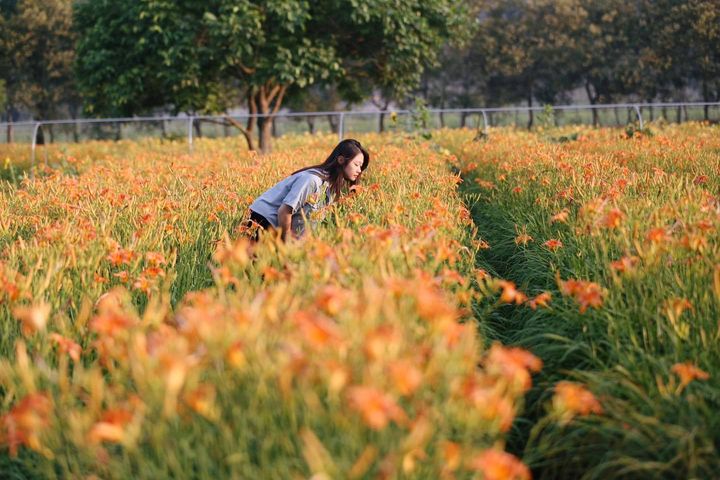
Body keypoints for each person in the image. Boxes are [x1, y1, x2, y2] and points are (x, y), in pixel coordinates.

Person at [246, 138, 370, 241]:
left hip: (278, 226)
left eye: (361, 166)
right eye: (356, 164)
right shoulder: (312, 180)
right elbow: (284, 211)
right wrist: (286, 243)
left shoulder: (331, 188)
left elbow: (308, 222)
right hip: (261, 221)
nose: (359, 170)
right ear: (341, 160)